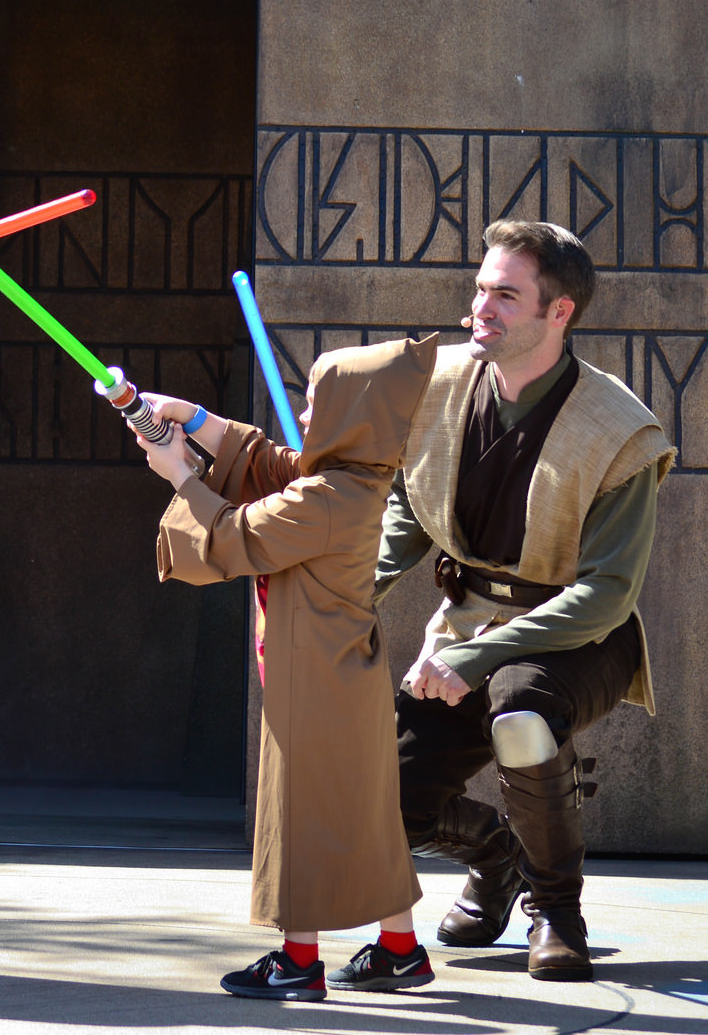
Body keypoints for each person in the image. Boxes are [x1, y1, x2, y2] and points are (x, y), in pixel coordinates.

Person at [379, 220, 674, 982]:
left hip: (579, 639)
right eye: (480, 288)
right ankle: (496, 854)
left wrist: (471, 657)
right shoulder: (438, 384)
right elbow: (409, 514)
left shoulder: (617, 429)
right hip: (468, 624)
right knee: (380, 794)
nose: (480, 306)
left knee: (519, 710)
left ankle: (557, 909)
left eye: (504, 294)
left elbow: (605, 594)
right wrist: (347, 587)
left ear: (558, 312)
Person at [141, 335, 442, 1002]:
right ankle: (399, 948)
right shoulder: (348, 478)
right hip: (340, 674)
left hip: (316, 685)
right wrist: (192, 419)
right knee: (367, 814)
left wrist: (178, 475)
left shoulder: (327, 498)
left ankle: (297, 960)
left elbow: (233, 535)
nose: (305, 415)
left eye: (320, 401)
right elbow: (263, 459)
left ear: (352, 415)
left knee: (297, 813)